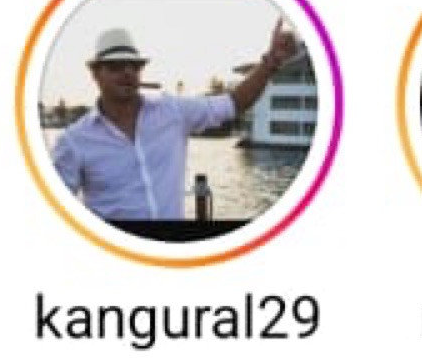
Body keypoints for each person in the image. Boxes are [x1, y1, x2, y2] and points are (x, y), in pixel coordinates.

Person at [51, 19, 302, 233]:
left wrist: (270, 63)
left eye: (135, 65)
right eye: (116, 66)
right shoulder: (74, 141)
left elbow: (234, 102)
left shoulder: (172, 112)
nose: (127, 71)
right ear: (95, 73)